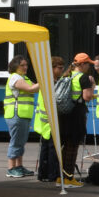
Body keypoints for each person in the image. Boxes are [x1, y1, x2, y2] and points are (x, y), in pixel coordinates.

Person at [3, 55, 40, 178]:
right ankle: (11, 168)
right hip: (16, 114)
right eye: (22, 65)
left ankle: (19, 166)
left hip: (23, 114)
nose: (25, 67)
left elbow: (34, 87)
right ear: (15, 66)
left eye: (26, 65)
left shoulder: (24, 77)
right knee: (16, 141)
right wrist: (45, 81)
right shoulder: (15, 77)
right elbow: (31, 89)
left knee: (21, 141)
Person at [33, 56, 66, 184]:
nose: (61, 70)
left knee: (47, 148)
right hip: (49, 119)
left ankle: (43, 173)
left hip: (46, 120)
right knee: (52, 149)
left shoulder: (49, 80)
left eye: (63, 67)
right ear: (52, 68)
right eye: (59, 68)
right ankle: (51, 174)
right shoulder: (49, 82)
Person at [65, 53, 96, 181]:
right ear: (82, 64)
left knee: (65, 146)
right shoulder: (83, 78)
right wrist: (92, 85)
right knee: (73, 146)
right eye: (88, 63)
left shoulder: (67, 75)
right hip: (77, 114)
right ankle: (69, 177)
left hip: (65, 113)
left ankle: (61, 176)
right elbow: (87, 97)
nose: (89, 66)